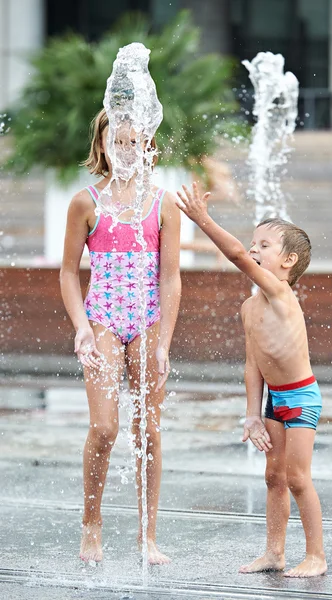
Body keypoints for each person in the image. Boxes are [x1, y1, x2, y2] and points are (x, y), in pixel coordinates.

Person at [176, 183, 327, 578]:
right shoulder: (248, 307)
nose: (254, 249)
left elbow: (237, 256)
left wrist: (202, 219)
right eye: (254, 242)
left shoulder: (281, 294)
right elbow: (252, 365)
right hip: (274, 399)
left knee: (297, 478)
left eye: (264, 245)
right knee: (273, 476)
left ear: (288, 261)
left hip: (302, 397)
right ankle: (274, 553)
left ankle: (316, 556)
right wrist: (251, 416)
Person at [60, 108, 181, 565]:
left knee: (148, 430)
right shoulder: (86, 203)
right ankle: (92, 524)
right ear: (103, 147)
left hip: (148, 319)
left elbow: (170, 279)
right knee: (105, 427)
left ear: (148, 146)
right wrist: (83, 328)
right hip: (104, 320)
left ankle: (147, 536)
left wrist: (165, 340)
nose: (125, 151)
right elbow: (69, 273)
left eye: (134, 143)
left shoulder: (162, 202)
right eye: (117, 143)